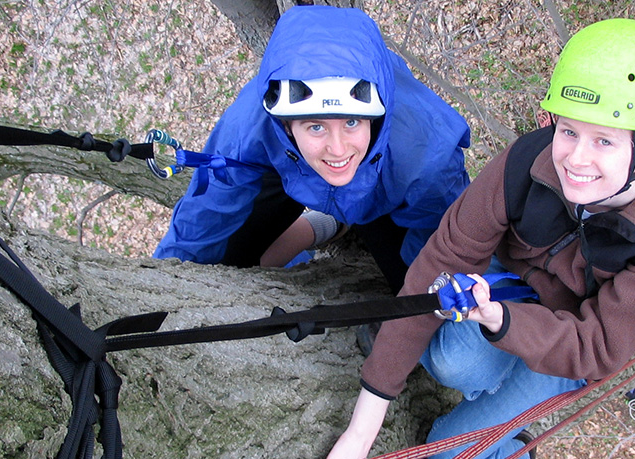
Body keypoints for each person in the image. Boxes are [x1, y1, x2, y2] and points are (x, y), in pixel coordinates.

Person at [315, 19, 635, 459]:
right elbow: (443, 257)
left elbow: (599, 348)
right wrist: (359, 436)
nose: (575, 159)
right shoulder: (528, 161)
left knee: (451, 458)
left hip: (570, 346)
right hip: (507, 284)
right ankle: (461, 374)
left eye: (604, 141)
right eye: (568, 130)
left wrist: (501, 321)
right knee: (454, 362)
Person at [152, 6, 471, 293]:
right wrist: (165, 282)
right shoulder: (251, 126)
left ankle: (334, 220)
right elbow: (206, 213)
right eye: (316, 126)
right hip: (290, 164)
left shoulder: (425, 156)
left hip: (386, 181)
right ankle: (325, 221)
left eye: (351, 123)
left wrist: (420, 296)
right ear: (286, 124)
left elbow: (447, 238)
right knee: (229, 258)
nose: (337, 148)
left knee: (409, 290)